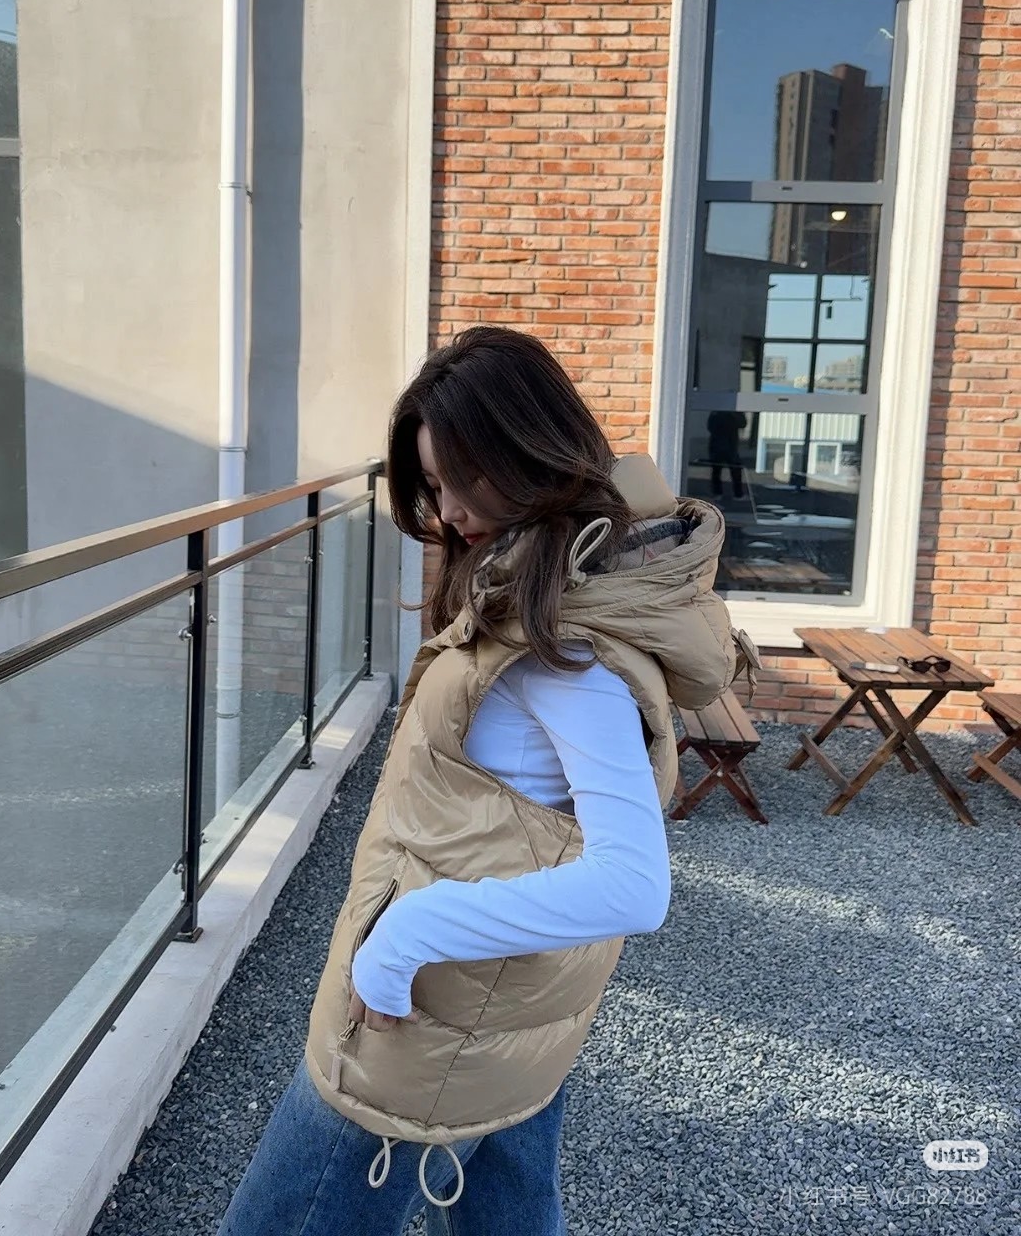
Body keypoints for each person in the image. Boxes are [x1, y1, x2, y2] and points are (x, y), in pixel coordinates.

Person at [217, 326, 756, 1236]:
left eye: (462, 478)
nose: (449, 509)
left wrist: (400, 942)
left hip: (428, 1031)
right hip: (501, 1015)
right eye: (433, 485)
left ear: (530, 453)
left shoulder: (566, 647)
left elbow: (633, 885)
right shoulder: (543, 596)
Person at [706, 410, 748, 499]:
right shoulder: (717, 412)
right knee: (717, 470)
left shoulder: (733, 413)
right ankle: (718, 492)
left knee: (735, 470)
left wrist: (734, 415)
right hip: (718, 445)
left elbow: (743, 423)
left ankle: (737, 493)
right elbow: (710, 426)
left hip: (730, 445)